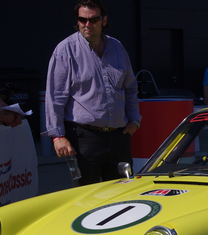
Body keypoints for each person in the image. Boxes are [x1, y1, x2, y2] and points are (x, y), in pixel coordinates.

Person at [44, 0, 141, 186]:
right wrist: (58, 137)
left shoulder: (117, 48)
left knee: (125, 196)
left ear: (104, 21)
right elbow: (55, 97)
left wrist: (135, 120)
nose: (87, 24)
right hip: (85, 139)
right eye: (82, 19)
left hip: (119, 137)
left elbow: (130, 88)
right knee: (87, 198)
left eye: (93, 19)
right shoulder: (65, 50)